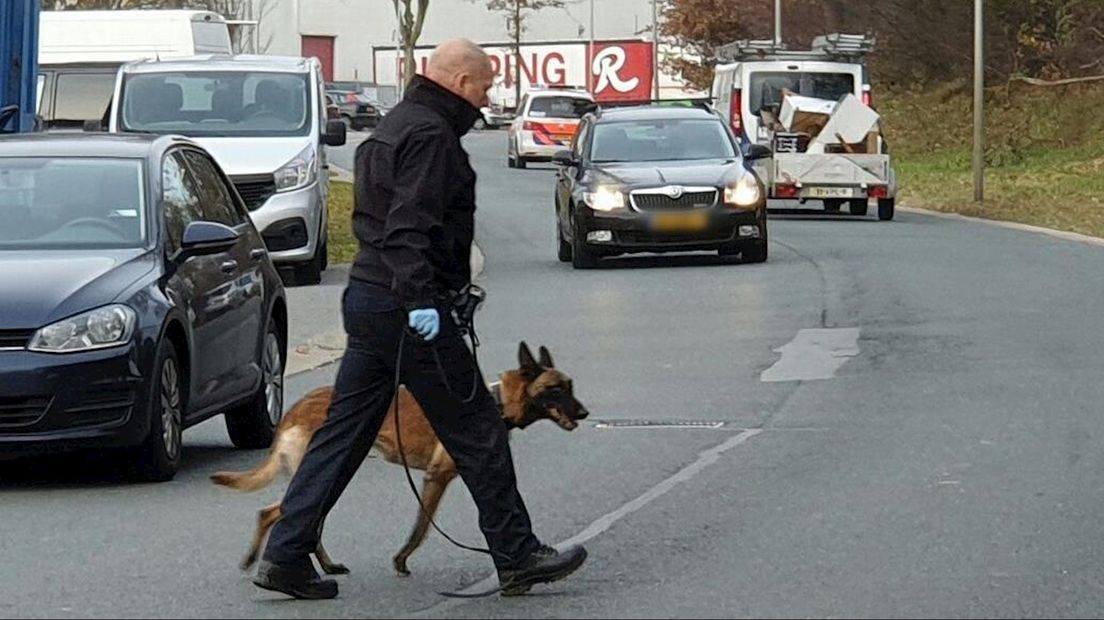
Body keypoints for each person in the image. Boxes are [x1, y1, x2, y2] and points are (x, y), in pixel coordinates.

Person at [251, 38, 587, 600]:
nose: (487, 97)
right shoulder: (431, 136)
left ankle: (285, 554)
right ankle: (518, 553)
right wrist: (421, 300)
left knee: (344, 433)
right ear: (458, 81)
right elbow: (407, 227)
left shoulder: (393, 128)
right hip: (409, 307)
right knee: (479, 427)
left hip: (368, 300)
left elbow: (370, 221)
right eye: (483, 86)